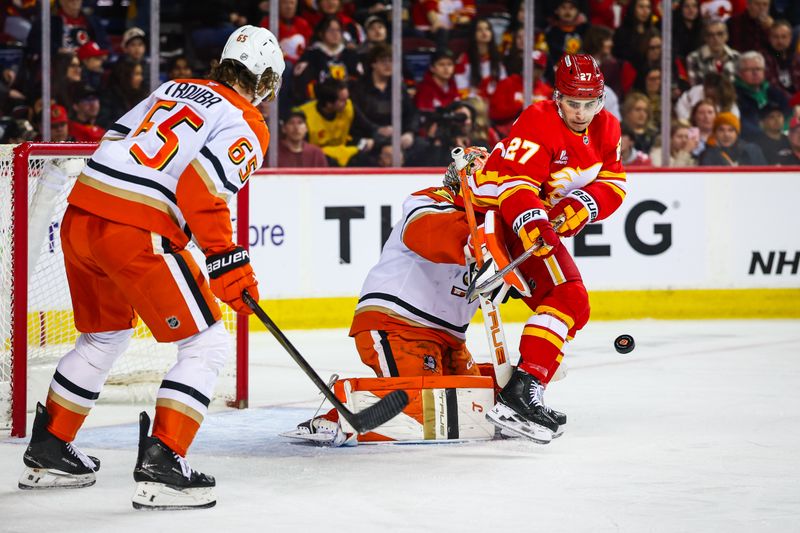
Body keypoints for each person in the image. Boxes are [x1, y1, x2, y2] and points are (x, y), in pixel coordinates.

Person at [18, 25, 284, 510]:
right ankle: (164, 463)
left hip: (82, 215)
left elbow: (115, 138)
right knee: (206, 342)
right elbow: (201, 193)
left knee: (104, 336)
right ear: (265, 80)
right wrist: (229, 264)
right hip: (134, 228)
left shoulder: (171, 88)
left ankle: (50, 448)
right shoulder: (248, 122)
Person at [471, 54, 627, 442]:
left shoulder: (608, 128)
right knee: (569, 297)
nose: (581, 112)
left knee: (573, 303)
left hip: (534, 221)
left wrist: (584, 205)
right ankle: (521, 392)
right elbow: (515, 185)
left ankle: (525, 389)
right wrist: (532, 222)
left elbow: (614, 182)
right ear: (557, 97)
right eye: (573, 103)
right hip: (501, 217)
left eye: (590, 103)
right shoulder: (538, 119)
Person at [699, 111, 767, 165]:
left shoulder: (752, 151)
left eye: (731, 130)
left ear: (737, 133)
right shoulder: (707, 155)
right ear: (715, 133)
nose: (726, 134)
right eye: (721, 130)